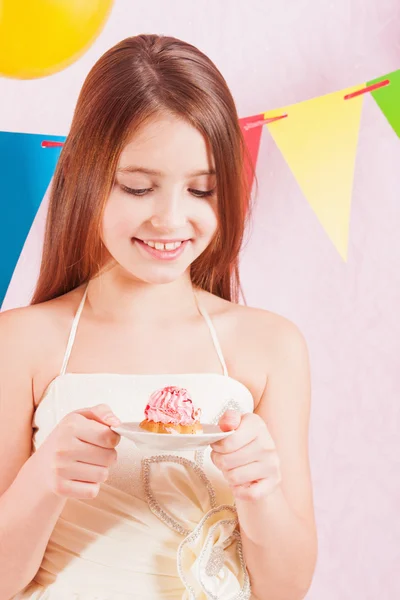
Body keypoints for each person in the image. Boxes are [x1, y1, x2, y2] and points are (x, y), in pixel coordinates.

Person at [0, 35, 317, 600]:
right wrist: (43, 479)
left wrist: (262, 490)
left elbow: (287, 588)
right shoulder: (21, 343)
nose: (171, 219)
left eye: (202, 190)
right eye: (138, 187)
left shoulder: (270, 347)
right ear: (86, 178)